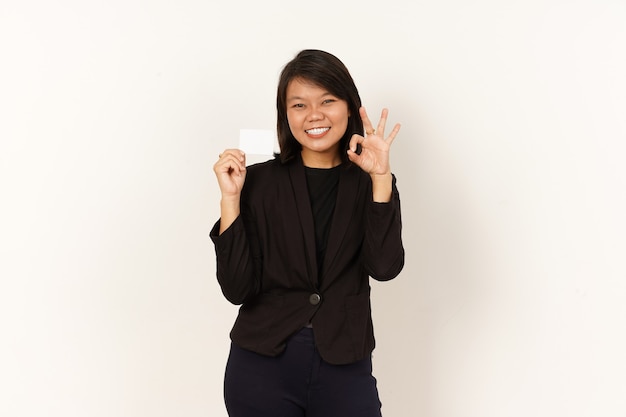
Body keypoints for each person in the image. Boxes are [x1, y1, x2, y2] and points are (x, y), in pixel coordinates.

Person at [210, 49, 404, 417]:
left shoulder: (371, 182)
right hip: (263, 366)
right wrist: (230, 200)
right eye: (299, 105)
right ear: (286, 115)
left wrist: (381, 180)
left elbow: (384, 267)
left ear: (349, 106)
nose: (314, 115)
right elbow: (236, 289)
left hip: (344, 361)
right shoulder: (260, 182)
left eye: (327, 100)